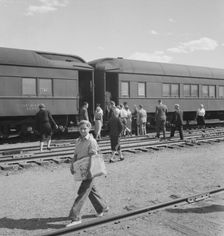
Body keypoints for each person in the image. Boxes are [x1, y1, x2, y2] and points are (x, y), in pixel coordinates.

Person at [67, 120, 108, 227]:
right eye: (81, 129)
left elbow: (93, 157)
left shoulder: (92, 141)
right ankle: (102, 207)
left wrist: (89, 171)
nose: (83, 131)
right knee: (90, 190)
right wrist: (72, 165)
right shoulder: (78, 141)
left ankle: (75, 217)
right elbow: (75, 155)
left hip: (90, 170)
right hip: (82, 170)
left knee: (83, 192)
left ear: (89, 129)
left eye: (85, 128)